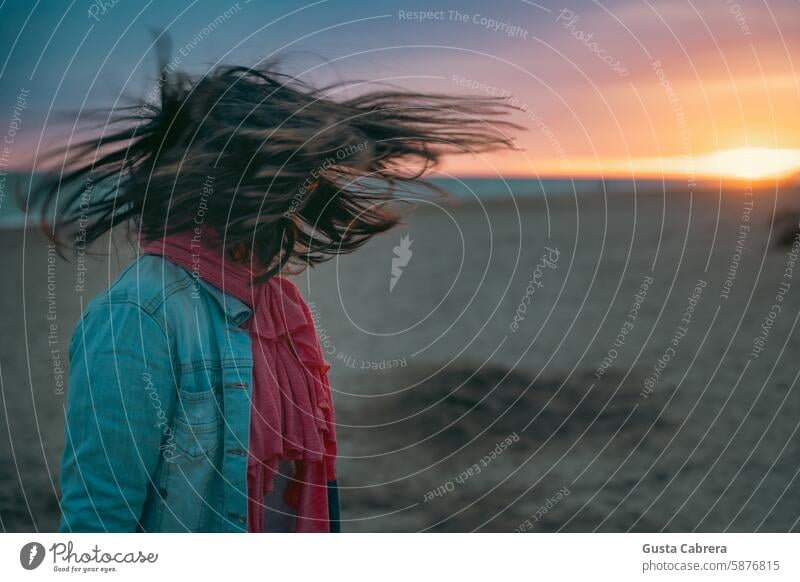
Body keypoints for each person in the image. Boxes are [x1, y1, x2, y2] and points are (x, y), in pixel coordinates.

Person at [42, 52, 519, 532]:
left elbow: (310, 483)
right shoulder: (138, 318)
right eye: (288, 176)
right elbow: (98, 521)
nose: (300, 196)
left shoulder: (277, 307)